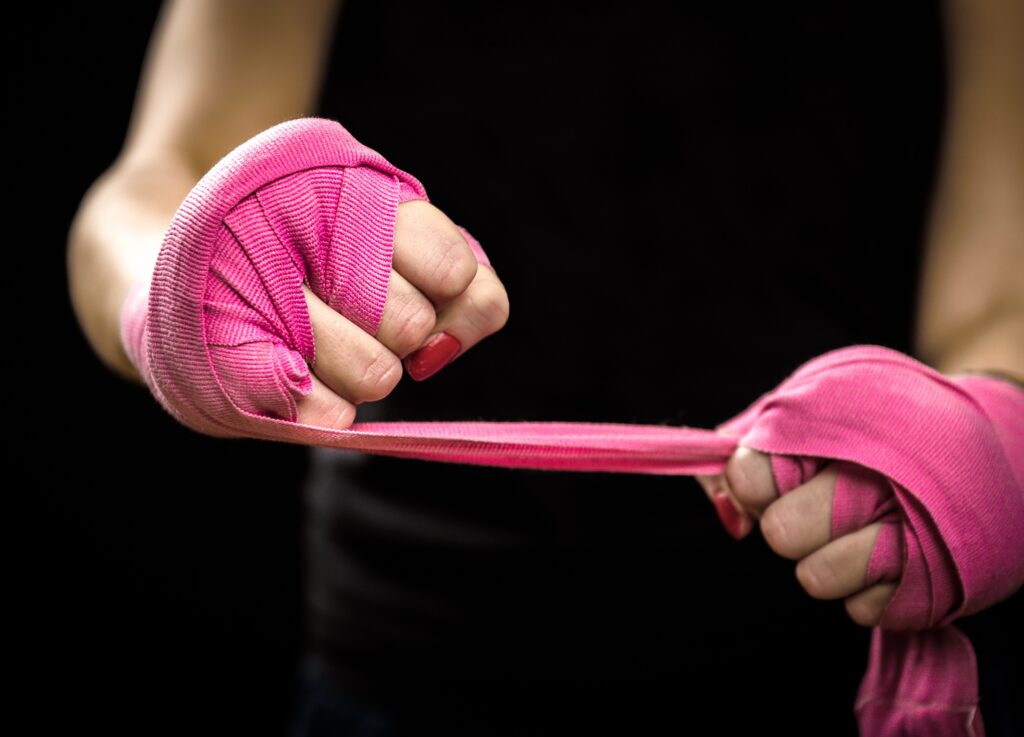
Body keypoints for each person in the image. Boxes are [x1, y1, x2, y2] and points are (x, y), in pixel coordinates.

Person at [67, 0, 1023, 735]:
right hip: (404, 661)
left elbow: (1001, 301)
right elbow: (153, 178)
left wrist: (991, 431)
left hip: (821, 646)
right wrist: (172, 290)